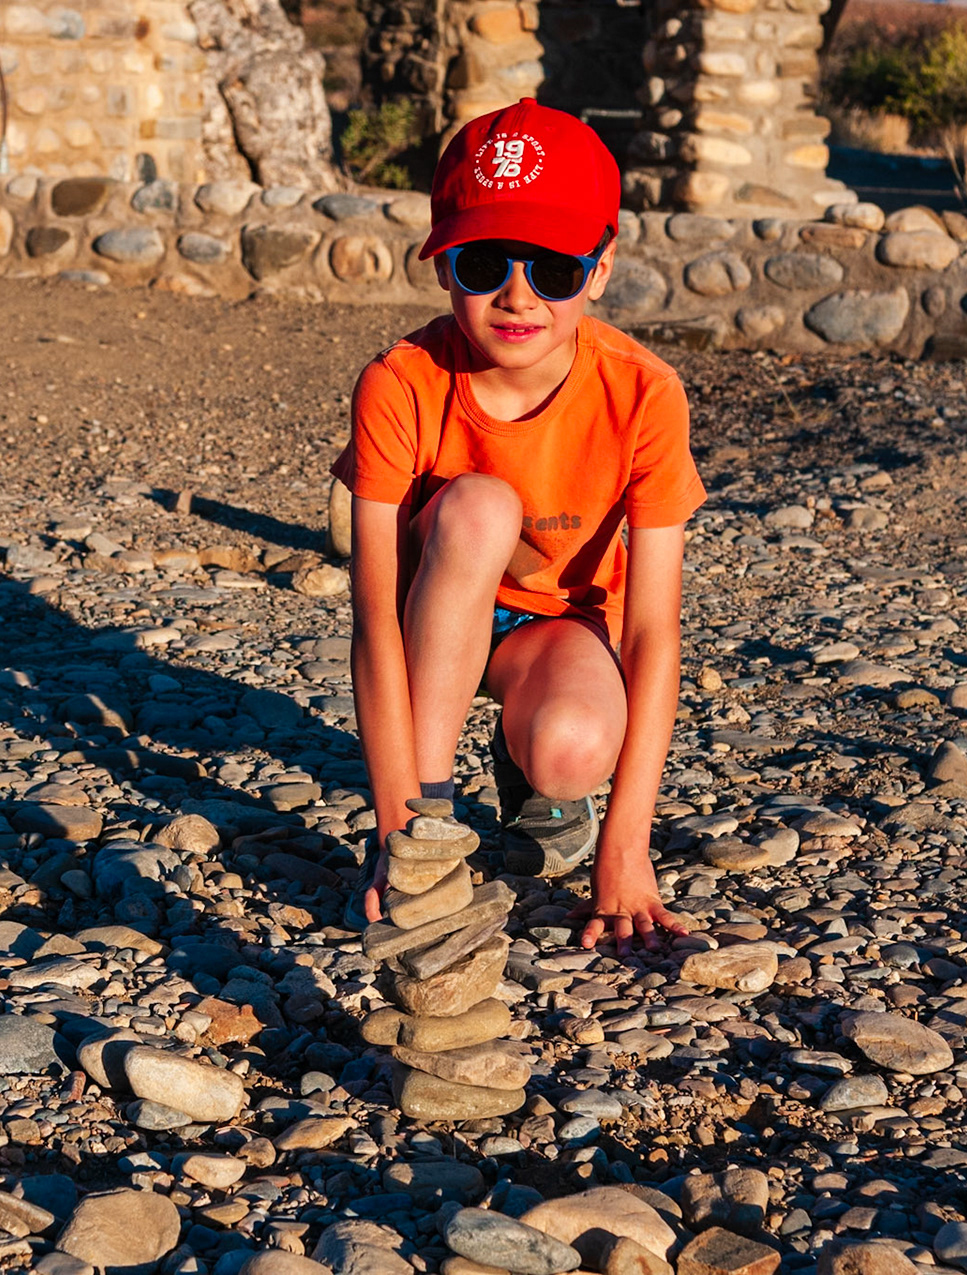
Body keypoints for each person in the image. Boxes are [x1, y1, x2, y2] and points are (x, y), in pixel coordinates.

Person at [331, 99, 706, 954]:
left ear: (602, 268)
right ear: (443, 265)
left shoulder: (644, 394)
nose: (517, 293)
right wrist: (399, 825)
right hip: (440, 598)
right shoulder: (401, 383)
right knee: (480, 504)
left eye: (553, 267)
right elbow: (374, 617)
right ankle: (431, 809)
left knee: (572, 747)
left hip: (557, 625)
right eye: (485, 261)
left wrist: (627, 850)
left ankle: (535, 773)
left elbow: (650, 631)